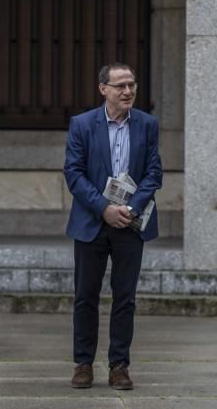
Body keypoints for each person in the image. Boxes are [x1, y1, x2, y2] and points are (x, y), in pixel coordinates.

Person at [63, 63, 162, 390]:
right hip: (92, 221)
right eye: (120, 85)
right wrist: (104, 208)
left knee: (125, 298)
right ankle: (83, 364)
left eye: (132, 85)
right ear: (103, 88)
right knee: (85, 296)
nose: (128, 91)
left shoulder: (147, 125)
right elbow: (74, 174)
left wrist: (130, 209)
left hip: (130, 224)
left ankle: (119, 365)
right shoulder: (82, 124)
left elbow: (153, 174)